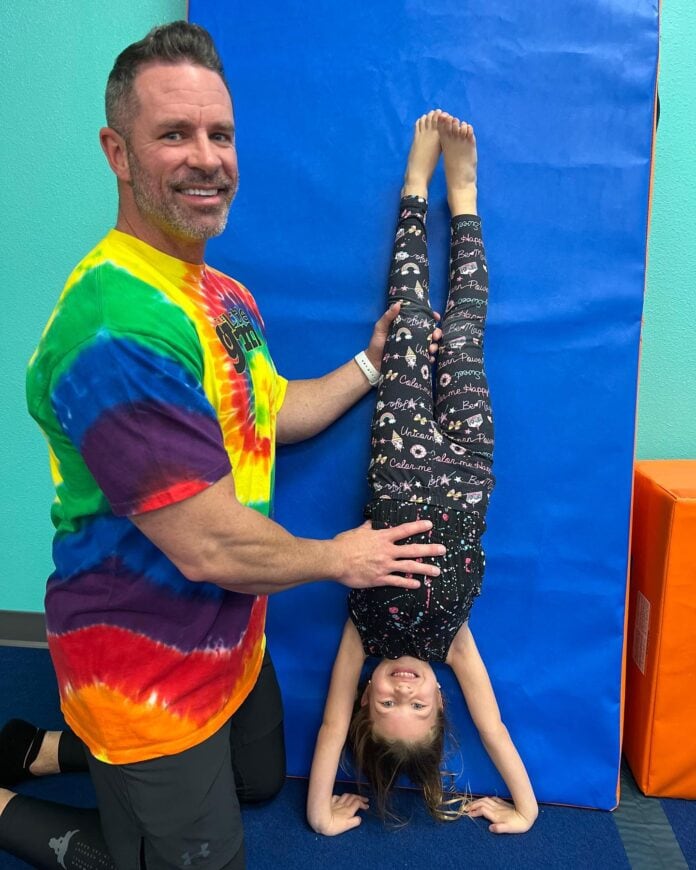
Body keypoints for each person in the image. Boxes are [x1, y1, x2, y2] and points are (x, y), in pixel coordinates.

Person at [0, 21, 446, 870]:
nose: (207, 157)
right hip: (140, 668)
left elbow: (271, 414)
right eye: (173, 134)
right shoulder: (116, 329)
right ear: (118, 152)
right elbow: (208, 544)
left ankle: (45, 748)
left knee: (256, 781)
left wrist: (369, 363)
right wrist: (341, 558)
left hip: (232, 638)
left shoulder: (223, 294)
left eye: (220, 134)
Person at [307, 111, 538, 836]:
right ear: (443, 700)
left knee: (409, 321)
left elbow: (330, 722)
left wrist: (317, 812)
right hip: (470, 463)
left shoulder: (363, 632)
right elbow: (494, 723)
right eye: (419, 706)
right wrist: (527, 809)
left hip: (401, 456)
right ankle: (464, 199)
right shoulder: (453, 640)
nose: (402, 690)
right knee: (464, 330)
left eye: (387, 704)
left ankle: (416, 188)